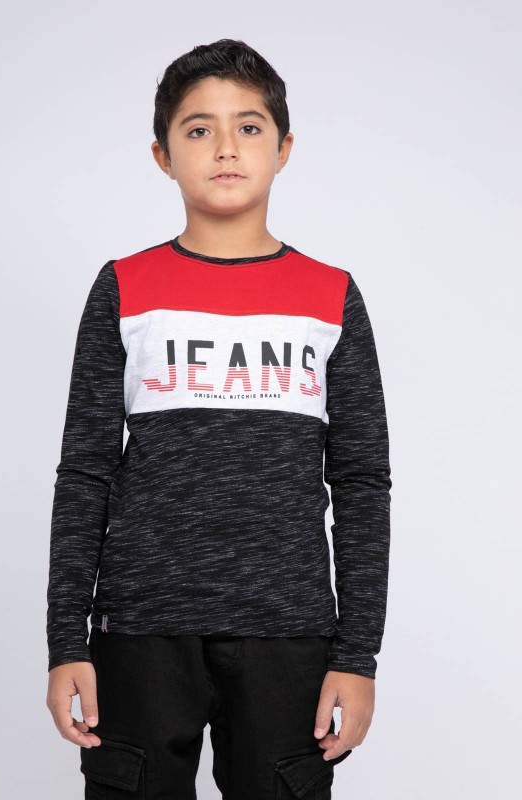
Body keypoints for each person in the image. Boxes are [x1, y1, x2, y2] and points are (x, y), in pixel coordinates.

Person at [45, 38, 392, 800]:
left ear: (284, 148)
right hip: (140, 630)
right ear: (163, 155)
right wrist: (67, 641)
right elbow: (86, 471)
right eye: (199, 129)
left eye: (249, 126)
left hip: (289, 634)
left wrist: (356, 655)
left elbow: (363, 482)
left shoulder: (331, 296)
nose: (226, 147)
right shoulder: (124, 287)